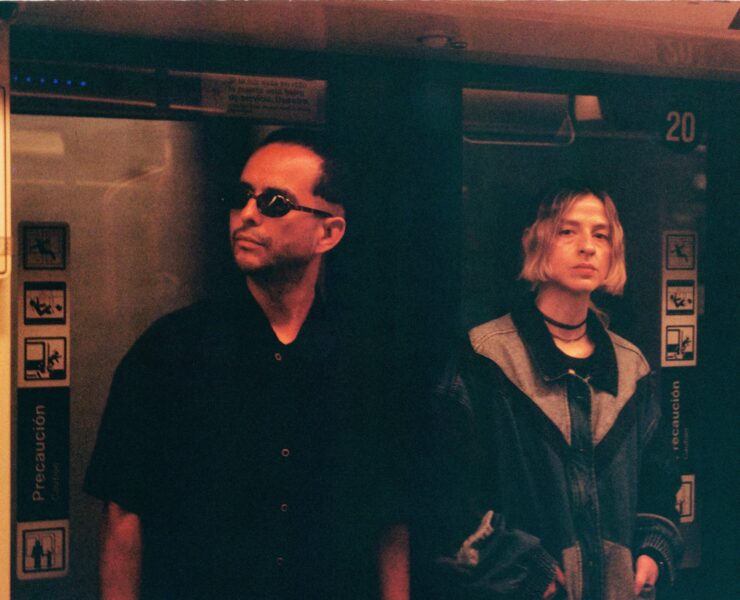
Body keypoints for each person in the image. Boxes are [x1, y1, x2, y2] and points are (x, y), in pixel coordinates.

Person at [85, 128, 407, 600]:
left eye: (275, 202)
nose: (248, 214)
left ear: (328, 232)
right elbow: (123, 518)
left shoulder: (367, 360)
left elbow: (390, 521)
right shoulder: (171, 350)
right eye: (241, 198)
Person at [420, 183, 683, 600]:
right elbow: (447, 496)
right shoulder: (488, 357)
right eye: (567, 231)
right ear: (536, 240)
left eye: (601, 235)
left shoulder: (631, 365)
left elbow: (659, 480)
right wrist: (528, 572)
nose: (587, 247)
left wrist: (654, 548)